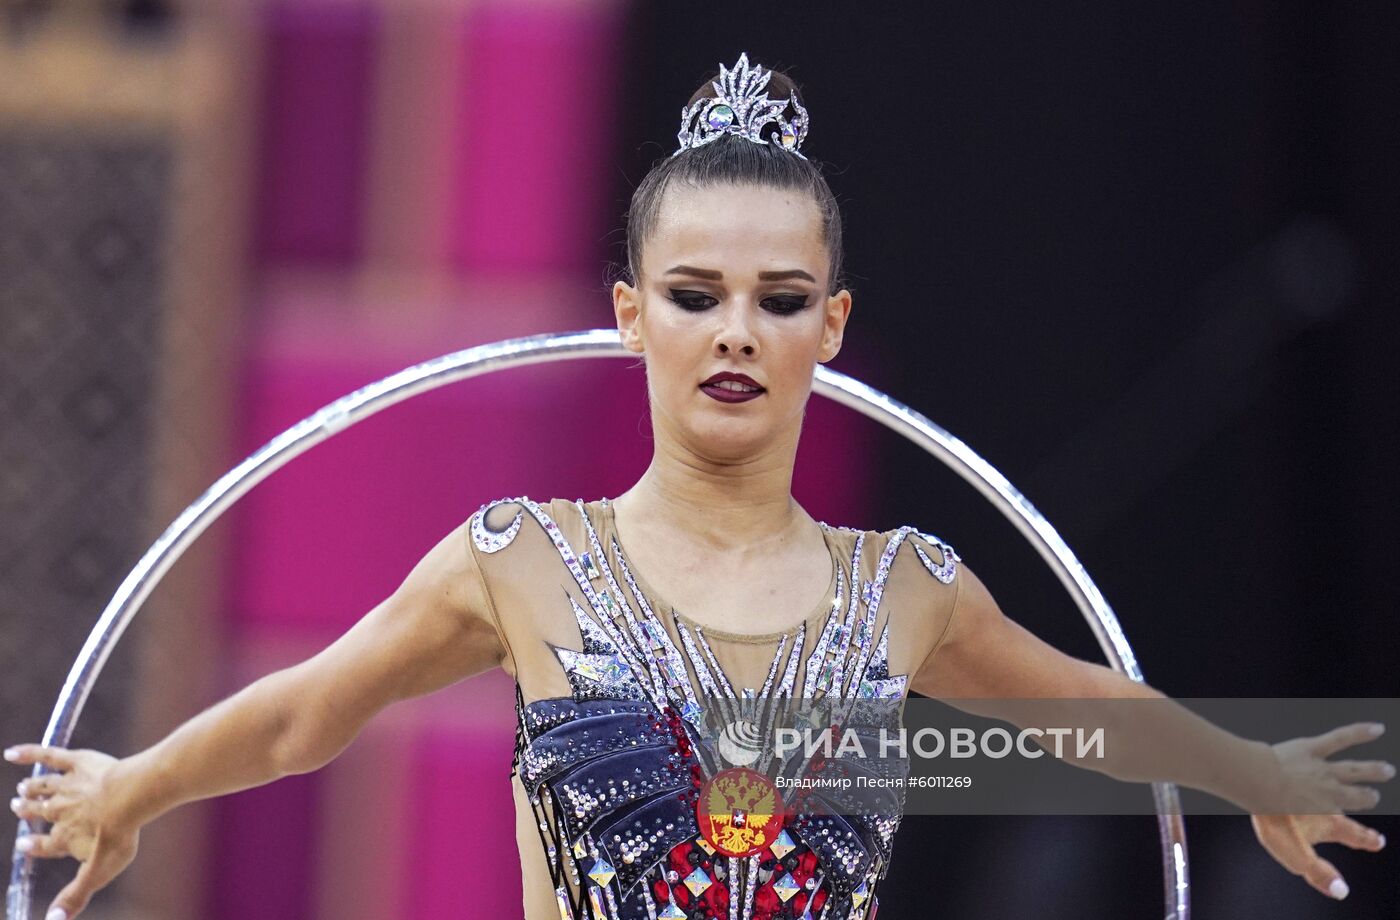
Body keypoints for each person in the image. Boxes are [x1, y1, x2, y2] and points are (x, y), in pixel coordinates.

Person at [4, 53, 1391, 920]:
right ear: (629, 317)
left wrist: (1249, 768)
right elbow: (314, 710)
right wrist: (137, 787)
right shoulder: (519, 562)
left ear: (830, 331)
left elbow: (1092, 717)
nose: (735, 331)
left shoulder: (903, 588)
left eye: (778, 298)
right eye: (695, 293)